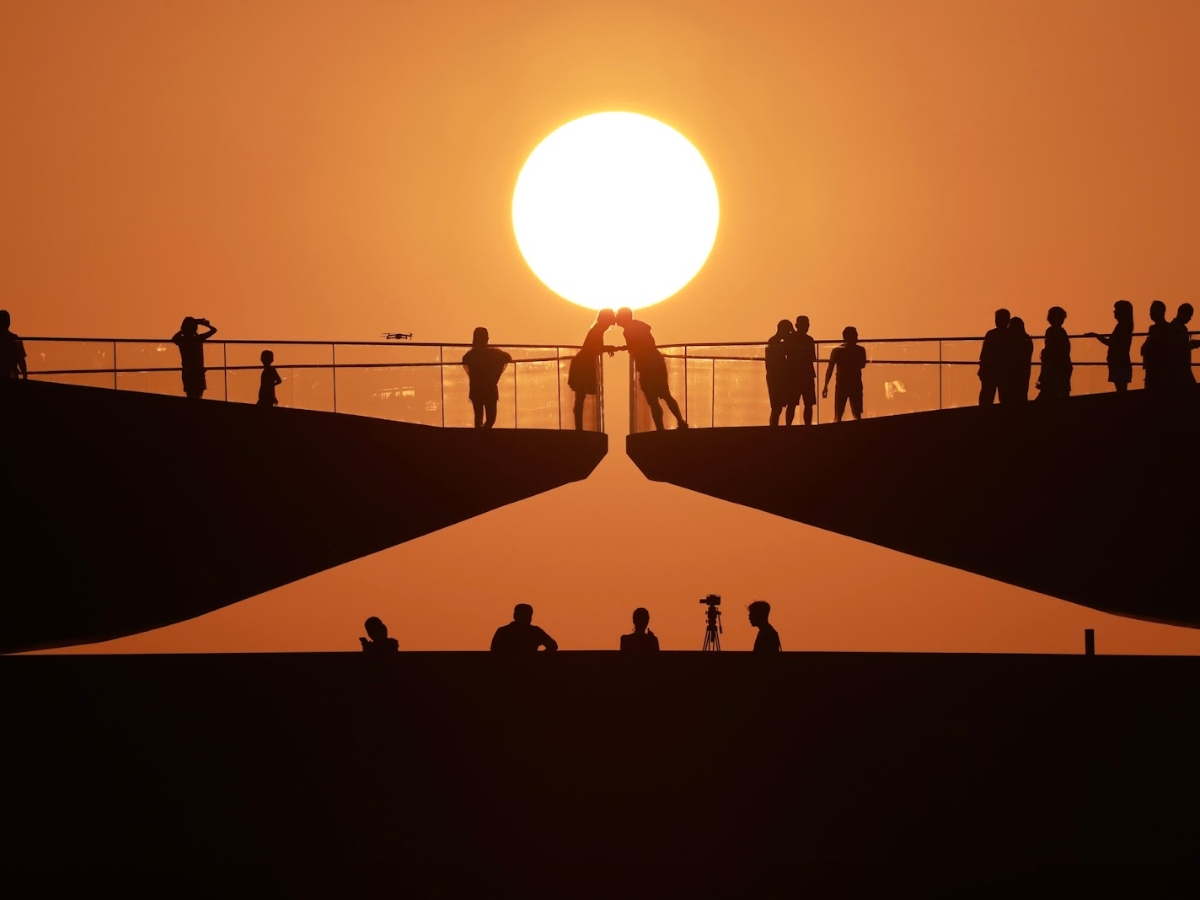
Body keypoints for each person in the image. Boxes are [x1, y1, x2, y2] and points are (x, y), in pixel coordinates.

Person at [615, 307, 688, 431]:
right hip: (656, 362)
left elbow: (634, 348)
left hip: (647, 367)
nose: (616, 318)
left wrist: (625, 350)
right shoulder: (639, 326)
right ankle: (681, 422)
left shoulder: (628, 331)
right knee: (665, 395)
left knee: (653, 400)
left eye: (618, 315)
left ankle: (660, 428)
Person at [567, 309, 617, 431]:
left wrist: (606, 348)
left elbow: (595, 348)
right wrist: (607, 348)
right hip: (583, 366)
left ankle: (579, 428)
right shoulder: (597, 330)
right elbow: (593, 348)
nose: (609, 325)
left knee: (580, 399)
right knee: (580, 398)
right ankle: (579, 429)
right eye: (609, 322)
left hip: (584, 365)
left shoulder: (598, 329)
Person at [461, 327, 513, 429]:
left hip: (476, 389)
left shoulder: (471, 354)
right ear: (486, 339)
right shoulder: (493, 354)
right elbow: (508, 357)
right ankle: (484, 437)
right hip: (489, 389)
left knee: (478, 418)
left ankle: (480, 438)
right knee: (491, 419)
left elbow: (465, 360)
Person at [821, 326, 867, 421]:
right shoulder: (860, 350)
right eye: (855, 335)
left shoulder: (837, 350)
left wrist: (826, 385)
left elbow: (830, 368)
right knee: (857, 412)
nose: (857, 337)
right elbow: (862, 365)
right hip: (855, 383)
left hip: (842, 383)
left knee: (839, 413)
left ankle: (836, 431)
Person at [1087, 300, 1134, 393]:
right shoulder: (1125, 326)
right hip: (1121, 362)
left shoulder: (1122, 327)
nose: (1114, 312)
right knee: (1121, 389)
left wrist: (1097, 336)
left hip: (1119, 363)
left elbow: (1112, 343)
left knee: (1121, 390)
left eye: (1116, 309)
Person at [171, 316, 218, 400]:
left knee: (191, 397)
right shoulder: (197, 339)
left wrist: (184, 329)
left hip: (189, 372)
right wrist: (202, 323)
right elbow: (213, 330)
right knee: (198, 397)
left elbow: (174, 338)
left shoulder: (183, 339)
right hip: (197, 372)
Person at [765, 320, 798, 426]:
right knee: (777, 407)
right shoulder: (774, 342)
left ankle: (786, 426)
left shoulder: (780, 342)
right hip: (775, 378)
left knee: (790, 403)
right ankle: (774, 428)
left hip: (784, 377)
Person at [1036, 307, 1072, 400]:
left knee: (1050, 393)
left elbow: (1051, 350)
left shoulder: (1052, 331)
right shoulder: (1060, 332)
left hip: (1055, 368)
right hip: (1061, 367)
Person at [491, 603, 558, 653]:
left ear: (514, 615)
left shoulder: (503, 631)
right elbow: (553, 646)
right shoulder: (535, 632)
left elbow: (494, 650)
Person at [977, 308, 1011, 406]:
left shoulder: (991, 334)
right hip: (1001, 371)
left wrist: (982, 368)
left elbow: (984, 354)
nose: (996, 321)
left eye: (998, 319)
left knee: (987, 396)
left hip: (991, 371)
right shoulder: (1010, 335)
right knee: (1003, 397)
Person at [789, 315, 818, 424]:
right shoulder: (809, 340)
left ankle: (789, 426)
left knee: (793, 403)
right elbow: (813, 357)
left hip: (796, 375)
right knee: (807, 403)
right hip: (806, 374)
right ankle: (807, 426)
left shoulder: (791, 339)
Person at [1167, 303, 1200, 388]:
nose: (1190, 318)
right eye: (1189, 315)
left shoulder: (1173, 326)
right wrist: (1192, 344)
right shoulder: (1179, 328)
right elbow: (1181, 348)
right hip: (1181, 367)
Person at [1140, 300, 1170, 391]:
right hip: (1154, 367)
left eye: (1152, 311)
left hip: (1158, 367)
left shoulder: (1163, 329)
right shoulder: (1154, 328)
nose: (1150, 314)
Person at [1005, 317, 1035, 402]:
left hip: (1013, 372)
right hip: (1024, 371)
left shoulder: (1012, 341)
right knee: (1022, 393)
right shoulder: (1026, 339)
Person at [0, 310, 28, 380]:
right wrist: (25, 377)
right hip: (12, 379)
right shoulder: (15, 339)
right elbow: (21, 361)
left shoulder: (15, 339)